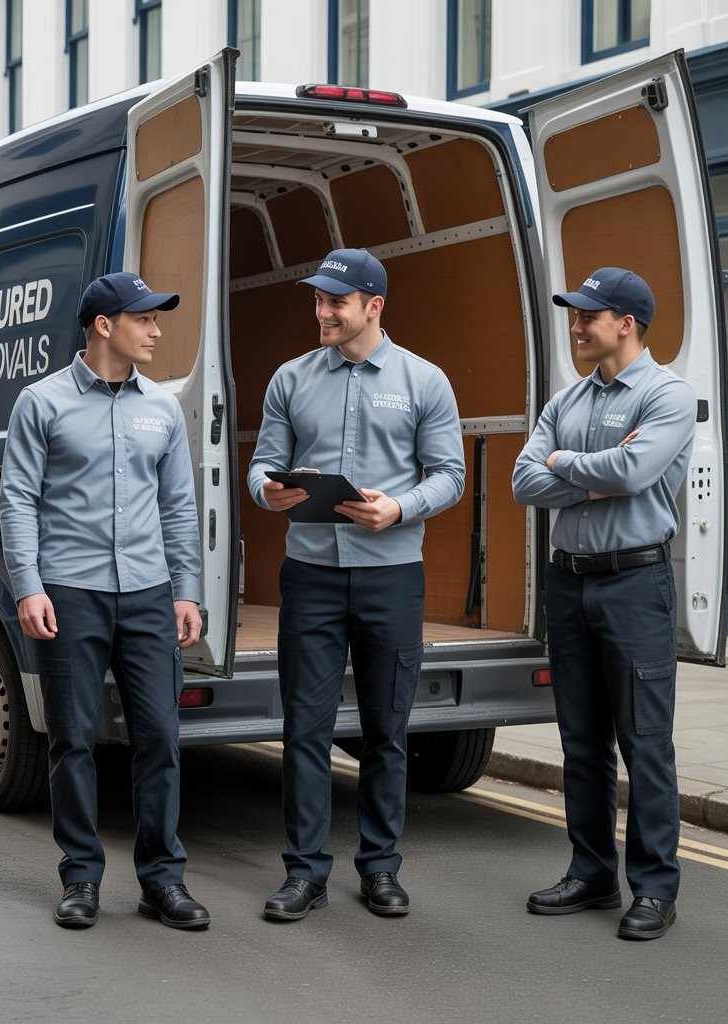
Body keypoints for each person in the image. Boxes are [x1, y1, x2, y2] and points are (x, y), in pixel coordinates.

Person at [247, 248, 465, 921]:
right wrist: (270, 494)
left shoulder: (425, 381)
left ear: (373, 306)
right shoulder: (290, 378)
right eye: (317, 300)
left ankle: (380, 869)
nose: (322, 312)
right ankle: (305, 871)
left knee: (385, 730)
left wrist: (398, 507)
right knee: (305, 729)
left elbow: (450, 475)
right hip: (310, 576)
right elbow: (261, 468)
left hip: (390, 577)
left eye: (335, 302)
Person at [0, 272, 210, 931]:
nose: (155, 330)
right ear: (103, 326)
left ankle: (162, 882)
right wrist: (29, 586)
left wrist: (187, 592)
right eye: (143, 319)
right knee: (73, 740)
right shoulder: (42, 403)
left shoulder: (164, 409)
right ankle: (81, 878)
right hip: (70, 593)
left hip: (148, 595)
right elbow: (17, 500)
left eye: (156, 320)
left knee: (159, 738)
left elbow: (179, 506)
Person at [512, 267, 695, 941]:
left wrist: (563, 465)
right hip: (570, 580)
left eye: (588, 314)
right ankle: (592, 872)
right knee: (581, 742)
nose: (576, 324)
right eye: (574, 313)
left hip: (635, 585)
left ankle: (654, 889)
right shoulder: (568, 400)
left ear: (627, 322)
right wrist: (579, 472)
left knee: (644, 741)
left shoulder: (668, 394)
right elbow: (522, 481)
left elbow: (635, 471)